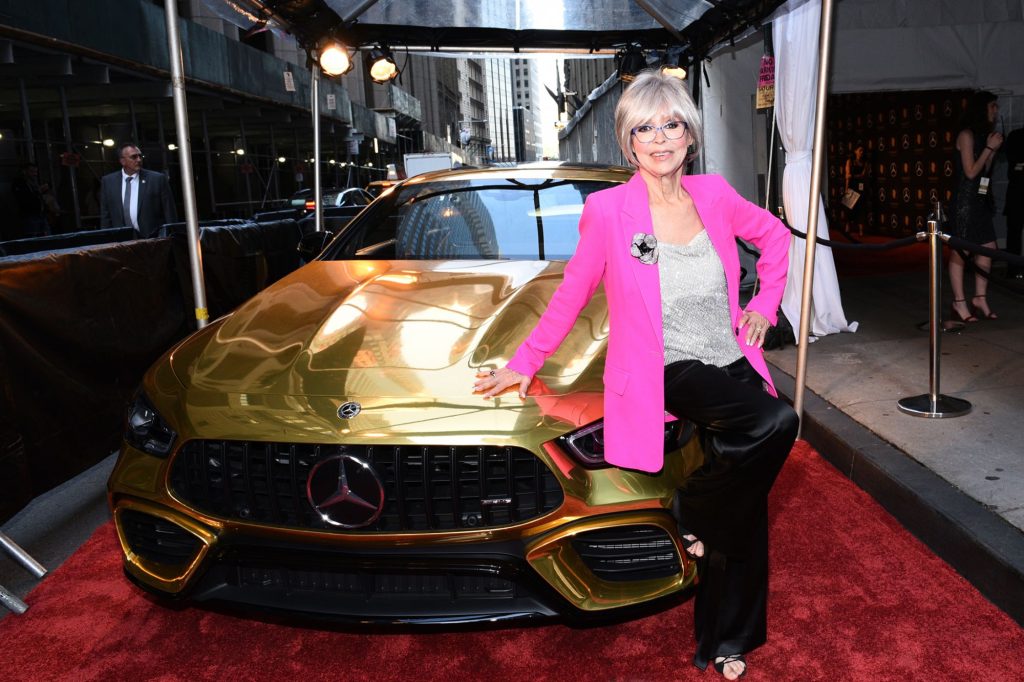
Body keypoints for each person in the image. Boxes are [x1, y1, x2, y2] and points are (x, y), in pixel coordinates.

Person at [473, 69, 797, 680]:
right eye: (644, 128)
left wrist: (762, 306)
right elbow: (572, 293)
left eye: (671, 124)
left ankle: (727, 641)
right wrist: (523, 364)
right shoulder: (609, 210)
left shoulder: (716, 195)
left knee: (746, 504)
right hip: (668, 367)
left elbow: (776, 238)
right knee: (777, 421)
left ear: (690, 136)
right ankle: (692, 509)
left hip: (730, 359)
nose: (659, 138)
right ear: (628, 143)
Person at [949, 91, 1003, 322]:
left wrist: (992, 149)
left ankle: (979, 297)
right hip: (965, 203)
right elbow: (971, 172)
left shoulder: (982, 135)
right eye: (992, 106)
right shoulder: (966, 135)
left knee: (988, 249)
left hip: (979, 201)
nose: (995, 111)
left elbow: (985, 173)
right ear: (981, 108)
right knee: (961, 252)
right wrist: (989, 149)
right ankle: (959, 301)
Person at [99, 142, 177, 238]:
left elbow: (169, 213)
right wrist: (105, 240)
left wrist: (171, 238)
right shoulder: (108, 181)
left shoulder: (157, 179)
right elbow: (105, 215)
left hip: (153, 241)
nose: (139, 159)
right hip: (121, 243)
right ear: (122, 161)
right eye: (134, 157)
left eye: (140, 156)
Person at [11, 163, 51, 238]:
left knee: (47, 237)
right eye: (32, 171)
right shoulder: (19, 183)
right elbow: (24, 198)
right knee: (33, 238)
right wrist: (38, 191)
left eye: (36, 172)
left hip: (41, 215)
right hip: (30, 216)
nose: (35, 174)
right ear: (24, 171)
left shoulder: (34, 182)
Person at [1004, 127, 1023, 279]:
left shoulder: (1015, 135)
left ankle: (1013, 269)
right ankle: (1013, 269)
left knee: (1014, 233)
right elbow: (1014, 166)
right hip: (1016, 194)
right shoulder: (1015, 135)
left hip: (1015, 193)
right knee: (1014, 233)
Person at [843, 143, 870, 235]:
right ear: (855, 151)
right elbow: (847, 176)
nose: (861, 152)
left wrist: (854, 176)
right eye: (860, 150)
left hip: (861, 188)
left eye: (862, 150)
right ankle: (847, 228)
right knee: (849, 208)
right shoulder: (850, 161)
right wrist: (846, 189)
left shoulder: (865, 163)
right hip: (851, 186)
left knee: (861, 209)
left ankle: (861, 230)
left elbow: (864, 175)